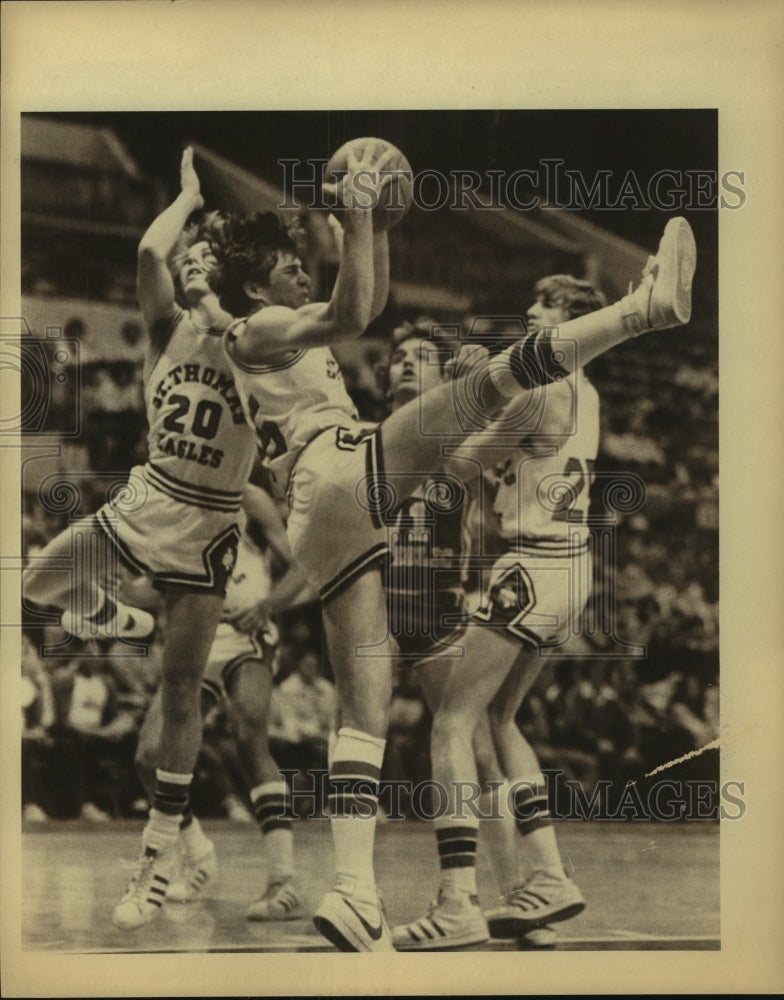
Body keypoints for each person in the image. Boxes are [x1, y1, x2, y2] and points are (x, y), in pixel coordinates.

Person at [211, 136, 696, 952]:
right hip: (358, 496)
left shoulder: (301, 351)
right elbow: (356, 313)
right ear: (260, 285)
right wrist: (358, 214)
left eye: (413, 359)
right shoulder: (267, 328)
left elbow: (368, 310)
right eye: (291, 266)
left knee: (385, 725)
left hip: (384, 561)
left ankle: (375, 892)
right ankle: (638, 311)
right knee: (496, 381)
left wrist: (379, 223)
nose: (304, 270)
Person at [22, 147, 258, 930]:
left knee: (182, 690)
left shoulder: (259, 342)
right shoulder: (165, 328)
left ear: (225, 275)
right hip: (148, 497)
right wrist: (188, 197)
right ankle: (118, 616)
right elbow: (148, 249)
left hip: (208, 523)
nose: (186, 265)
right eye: (187, 258)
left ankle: (155, 863)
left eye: (204, 260)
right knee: (35, 584)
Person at [390, 276, 613, 949]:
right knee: (499, 717)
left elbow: (458, 465)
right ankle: (547, 877)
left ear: (571, 322)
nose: (530, 314)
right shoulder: (588, 393)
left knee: (451, 724)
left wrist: (456, 396)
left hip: (533, 563)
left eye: (546, 307)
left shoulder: (542, 389)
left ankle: (457, 902)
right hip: (573, 567)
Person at [133, 481, 313, 920]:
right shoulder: (165, 498)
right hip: (196, 633)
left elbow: (303, 566)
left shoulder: (248, 498)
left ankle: (283, 879)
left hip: (245, 631)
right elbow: (153, 590)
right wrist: (112, 588)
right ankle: (198, 854)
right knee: (149, 756)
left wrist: (268, 606)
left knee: (249, 728)